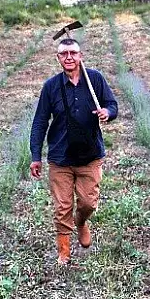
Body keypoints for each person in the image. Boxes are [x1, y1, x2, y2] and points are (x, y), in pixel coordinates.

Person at [30, 37, 118, 265]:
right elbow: (40, 121)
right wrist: (35, 156)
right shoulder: (51, 86)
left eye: (73, 53)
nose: (68, 57)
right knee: (63, 206)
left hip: (90, 155)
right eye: (63, 54)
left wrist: (107, 112)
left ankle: (81, 222)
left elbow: (113, 104)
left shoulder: (95, 79)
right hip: (61, 158)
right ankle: (64, 251)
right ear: (58, 58)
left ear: (80, 56)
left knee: (88, 203)